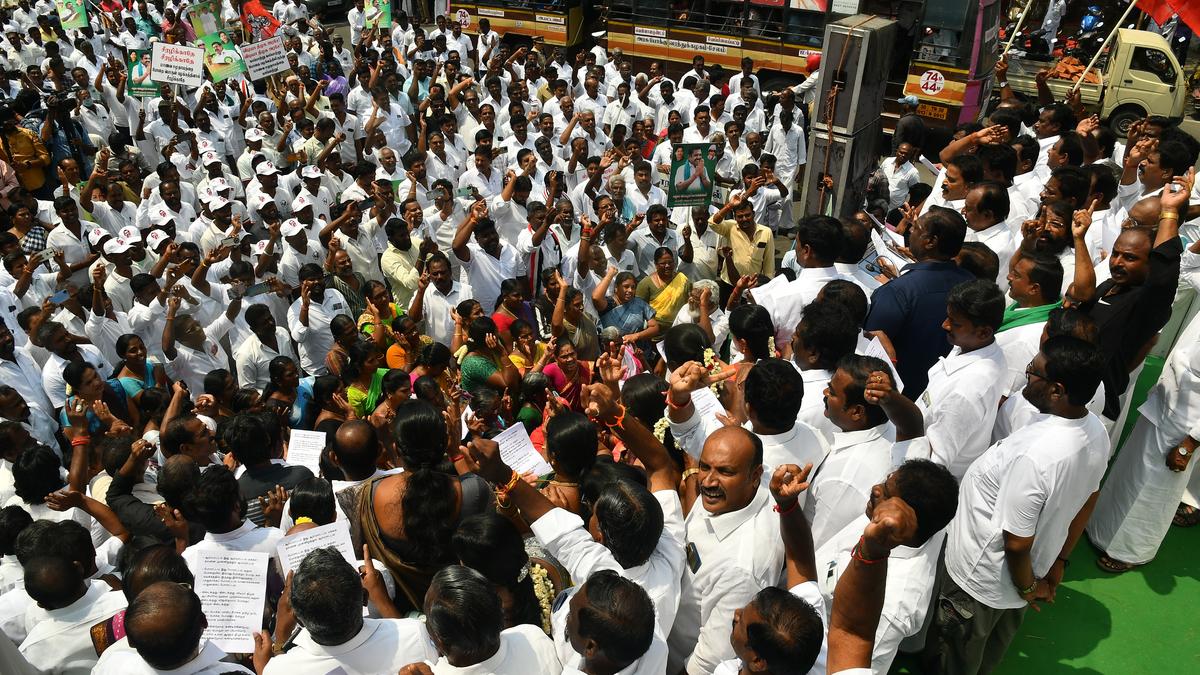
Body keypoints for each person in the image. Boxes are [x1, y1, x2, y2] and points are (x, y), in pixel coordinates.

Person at [924, 336, 1110, 674]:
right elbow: (1088, 501)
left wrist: (1029, 588)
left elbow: (1016, 541)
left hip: (979, 582)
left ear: (1057, 390)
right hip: (1023, 577)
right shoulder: (1095, 430)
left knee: (954, 657)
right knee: (987, 654)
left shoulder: (1035, 454)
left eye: (1033, 372)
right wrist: (1058, 564)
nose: (1025, 376)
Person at [258, 548, 437, 674]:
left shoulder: (279, 670)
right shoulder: (415, 633)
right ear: (365, 599)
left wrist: (280, 642)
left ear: (298, 620)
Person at [864, 207, 974, 397]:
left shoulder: (896, 292)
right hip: (943, 391)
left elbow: (871, 347)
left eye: (915, 228)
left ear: (930, 242)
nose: (910, 231)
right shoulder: (974, 284)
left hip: (898, 396)